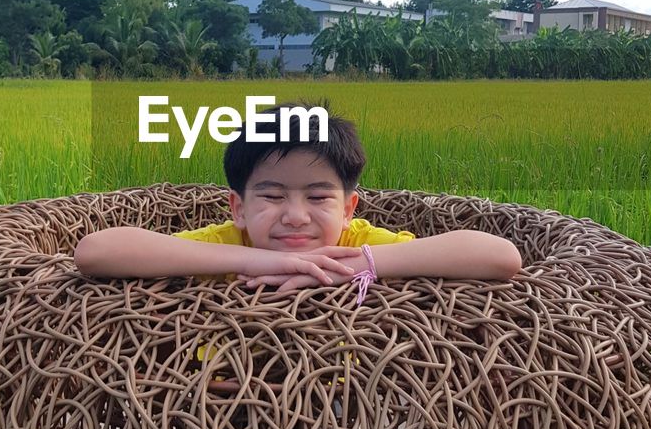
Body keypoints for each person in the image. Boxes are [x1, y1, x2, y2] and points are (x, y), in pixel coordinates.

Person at [74, 101, 522, 292]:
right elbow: (97, 251)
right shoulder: (231, 243)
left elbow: (500, 257)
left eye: (318, 197)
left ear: (348, 209)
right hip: (219, 418)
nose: (294, 216)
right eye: (270, 196)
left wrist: (363, 265)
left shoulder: (355, 244)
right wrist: (254, 262)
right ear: (239, 209)